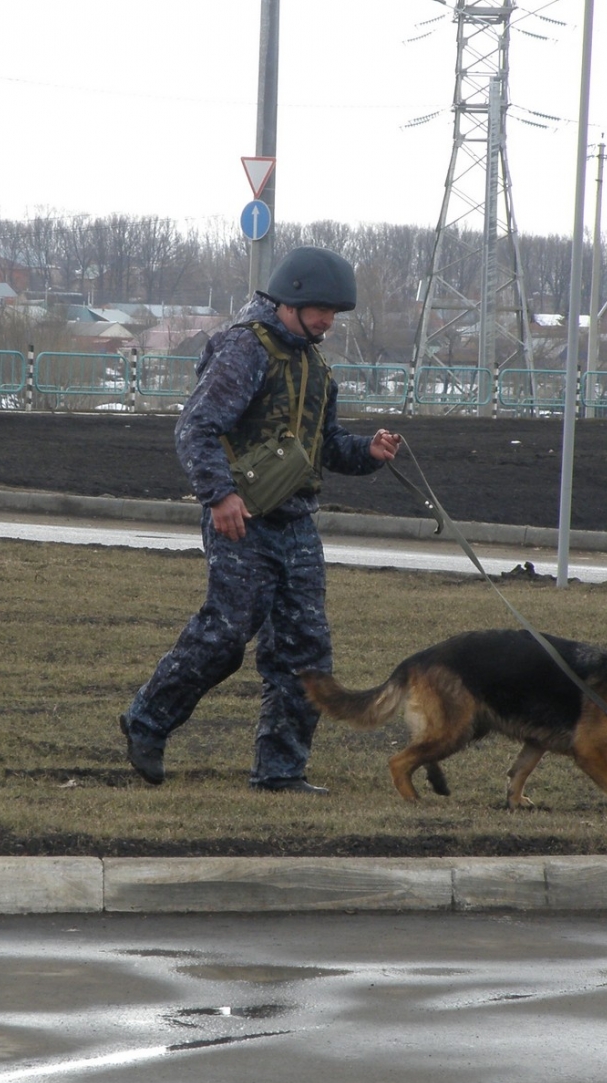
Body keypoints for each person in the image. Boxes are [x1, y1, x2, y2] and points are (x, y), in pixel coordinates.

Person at [119, 246, 402, 793]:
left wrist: (369, 450)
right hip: (241, 520)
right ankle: (146, 721)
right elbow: (195, 429)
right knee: (225, 635)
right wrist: (219, 496)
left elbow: (326, 447)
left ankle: (280, 772)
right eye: (321, 308)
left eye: (335, 312)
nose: (328, 320)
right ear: (290, 298)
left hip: (296, 524)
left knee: (304, 652)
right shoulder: (245, 349)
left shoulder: (314, 364)